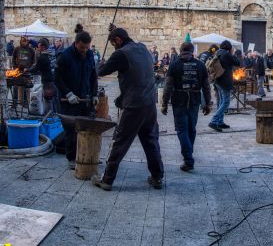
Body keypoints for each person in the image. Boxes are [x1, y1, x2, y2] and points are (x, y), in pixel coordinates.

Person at [92, 26, 163, 191]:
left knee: (119, 141)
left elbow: (102, 71)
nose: (113, 47)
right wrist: (122, 97)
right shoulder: (143, 49)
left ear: (118, 40)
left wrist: (100, 64)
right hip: (149, 103)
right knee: (150, 140)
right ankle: (157, 177)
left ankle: (107, 179)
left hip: (134, 106)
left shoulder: (120, 54)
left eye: (113, 43)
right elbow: (136, 76)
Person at [161, 41, 212, 172]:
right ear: (192, 51)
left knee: (182, 129)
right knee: (191, 129)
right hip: (195, 100)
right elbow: (206, 86)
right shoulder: (200, 65)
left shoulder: (174, 65)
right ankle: (188, 153)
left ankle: (188, 159)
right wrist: (208, 103)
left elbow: (168, 86)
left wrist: (164, 103)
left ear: (181, 50)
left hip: (179, 101)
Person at [55, 31, 98, 170]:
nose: (84, 50)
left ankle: (84, 154)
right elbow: (57, 78)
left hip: (85, 99)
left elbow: (93, 76)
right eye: (82, 48)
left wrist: (94, 94)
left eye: (87, 47)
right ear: (76, 43)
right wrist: (67, 93)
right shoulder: (65, 57)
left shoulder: (90, 55)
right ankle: (71, 158)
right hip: (69, 101)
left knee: (84, 129)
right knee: (71, 131)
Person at [208, 40, 240, 132]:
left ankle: (220, 122)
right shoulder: (226, 54)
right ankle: (214, 121)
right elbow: (237, 63)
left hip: (218, 81)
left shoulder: (218, 53)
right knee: (226, 102)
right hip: (224, 81)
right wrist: (233, 53)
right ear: (229, 48)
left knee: (222, 101)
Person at [28, 38, 57, 114]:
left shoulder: (42, 57)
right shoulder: (52, 54)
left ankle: (49, 117)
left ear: (43, 47)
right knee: (52, 101)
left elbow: (36, 69)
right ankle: (52, 115)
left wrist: (27, 70)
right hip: (53, 80)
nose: (38, 47)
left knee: (48, 100)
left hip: (47, 81)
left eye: (39, 46)